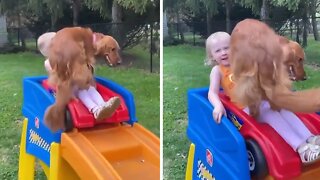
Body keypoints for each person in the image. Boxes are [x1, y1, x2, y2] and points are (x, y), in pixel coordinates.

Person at [206, 31, 320, 164]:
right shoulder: (217, 71)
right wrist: (218, 105)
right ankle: (301, 148)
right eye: (218, 50)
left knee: (283, 109)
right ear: (212, 56)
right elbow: (212, 92)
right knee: (272, 115)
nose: (223, 52)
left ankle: (310, 138)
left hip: (261, 100)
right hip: (247, 108)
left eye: (227, 48)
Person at [38, 32, 120, 121]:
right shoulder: (49, 63)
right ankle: (95, 110)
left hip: (77, 83)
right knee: (82, 93)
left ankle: (104, 106)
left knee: (90, 89)